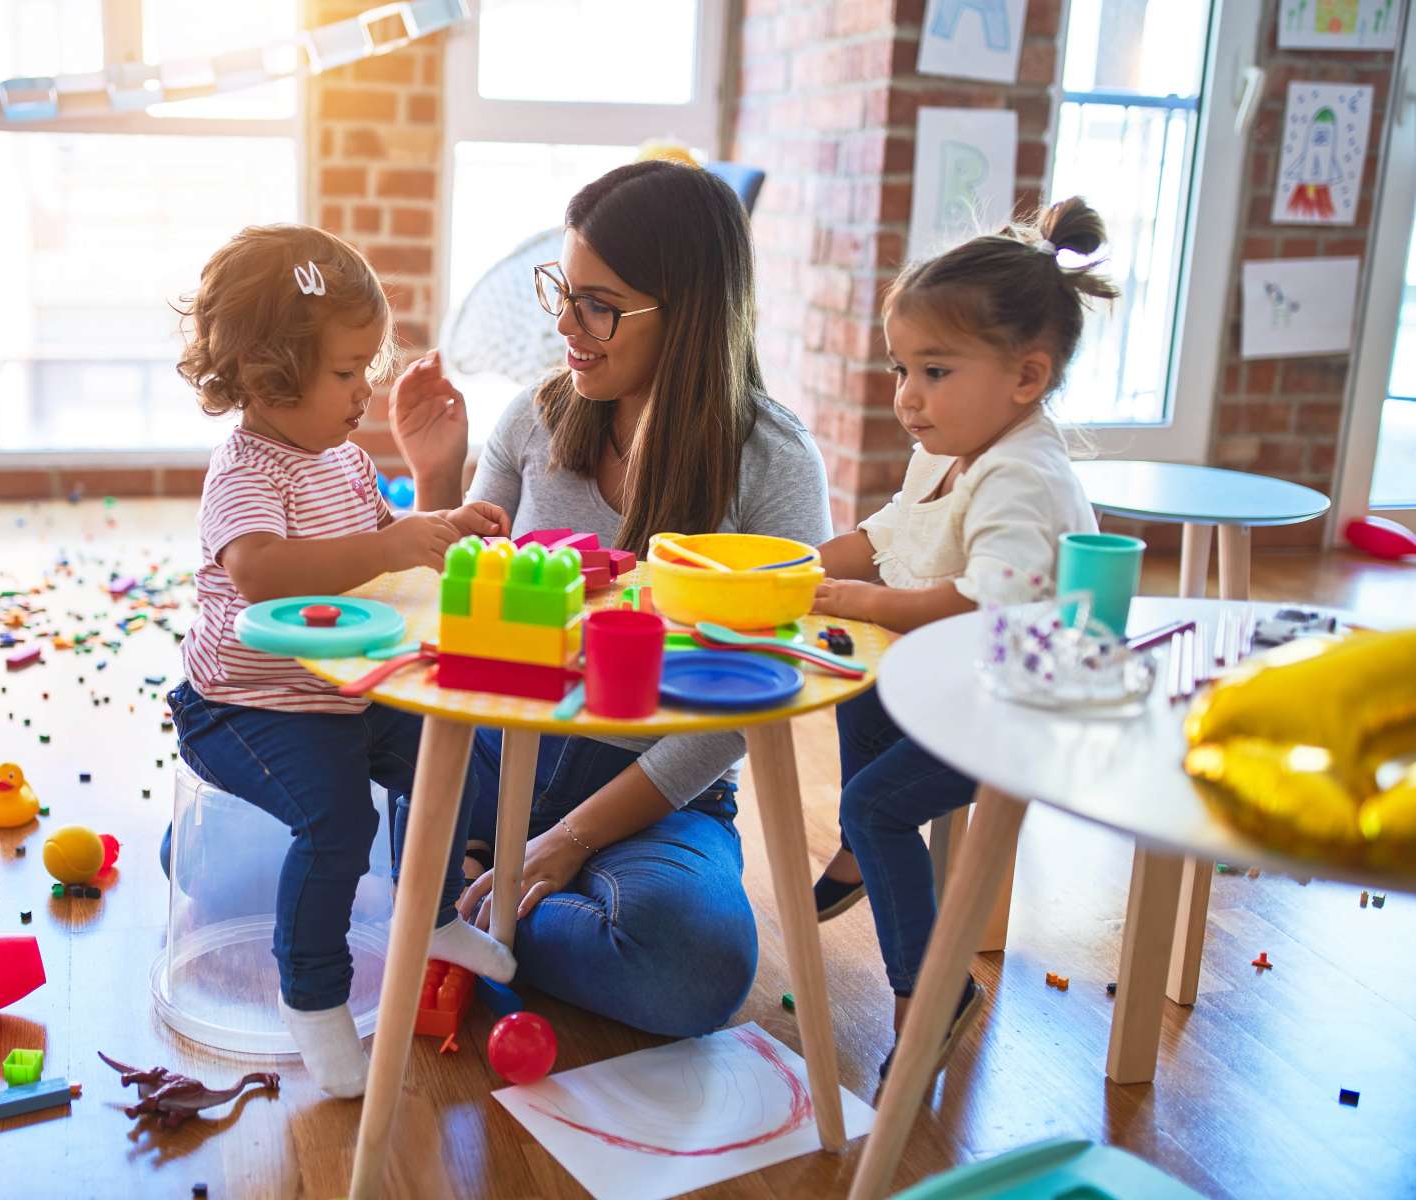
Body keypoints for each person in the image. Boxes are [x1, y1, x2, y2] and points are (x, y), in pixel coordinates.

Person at [387, 160, 833, 1036]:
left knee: (691, 970)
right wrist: (435, 477)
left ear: (690, 308)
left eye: (598, 303)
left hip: (656, 787)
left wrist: (573, 836)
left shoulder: (776, 462)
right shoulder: (533, 417)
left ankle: (447, 911)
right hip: (495, 749)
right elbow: (462, 611)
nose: (565, 324)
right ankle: (474, 894)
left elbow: (754, 700)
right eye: (564, 289)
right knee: (250, 845)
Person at [163, 224, 514, 1098]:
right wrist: (392, 540)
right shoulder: (246, 467)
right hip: (242, 708)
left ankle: (429, 919)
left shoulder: (345, 464)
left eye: (369, 366)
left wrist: (436, 534)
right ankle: (312, 998)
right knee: (338, 826)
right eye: (345, 372)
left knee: (452, 750)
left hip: (340, 693)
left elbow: (379, 565)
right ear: (263, 374)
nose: (366, 390)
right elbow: (258, 571)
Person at [807, 197, 1113, 1080]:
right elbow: (888, 531)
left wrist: (860, 600)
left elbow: (984, 600)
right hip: (966, 685)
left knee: (875, 804)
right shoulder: (947, 447)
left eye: (933, 372)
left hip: (1029, 706)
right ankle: (862, 852)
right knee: (855, 678)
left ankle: (932, 991)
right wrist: (783, 571)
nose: (907, 398)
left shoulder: (1023, 474)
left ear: (1025, 377)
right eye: (901, 369)